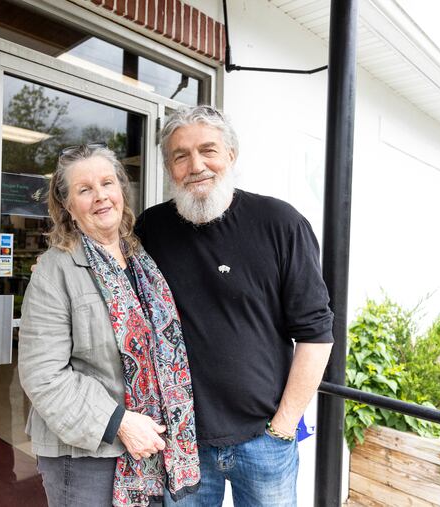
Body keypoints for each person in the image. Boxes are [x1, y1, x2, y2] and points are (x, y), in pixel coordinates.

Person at [135, 105, 335, 506]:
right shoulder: (150, 230)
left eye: (208, 150)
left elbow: (316, 334)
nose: (196, 165)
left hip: (264, 441)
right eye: (180, 155)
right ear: (168, 167)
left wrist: (283, 426)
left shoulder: (280, 224)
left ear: (231, 155)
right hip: (180, 441)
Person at [18, 144, 200, 507]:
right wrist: (119, 422)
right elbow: (43, 374)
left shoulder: (141, 260)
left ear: (121, 191)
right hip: (85, 455)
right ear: (68, 206)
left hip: (149, 447)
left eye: (107, 183)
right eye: (84, 190)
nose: (100, 196)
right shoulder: (56, 269)